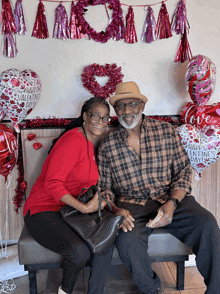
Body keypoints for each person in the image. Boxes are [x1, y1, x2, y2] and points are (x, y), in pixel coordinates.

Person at [97, 81, 220, 294]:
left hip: (170, 197)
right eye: (121, 106)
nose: (126, 111)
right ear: (115, 111)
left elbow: (183, 171)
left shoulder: (165, 131)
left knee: (207, 224)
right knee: (127, 243)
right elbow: (104, 188)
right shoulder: (107, 145)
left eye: (132, 104)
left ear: (142, 107)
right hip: (131, 204)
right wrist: (116, 210)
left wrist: (172, 203)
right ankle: (151, 288)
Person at [23, 97, 113, 294]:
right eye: (96, 115)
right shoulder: (73, 139)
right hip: (42, 209)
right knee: (78, 252)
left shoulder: (91, 144)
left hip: (67, 211)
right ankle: (64, 291)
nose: (100, 121)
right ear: (85, 117)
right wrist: (85, 208)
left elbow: (82, 183)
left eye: (105, 118)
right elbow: (52, 184)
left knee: (100, 240)